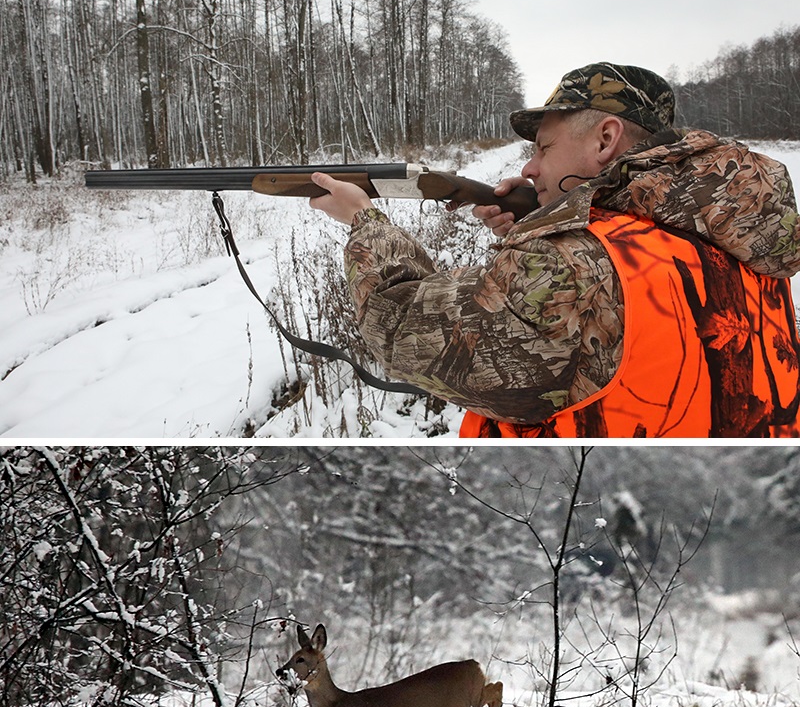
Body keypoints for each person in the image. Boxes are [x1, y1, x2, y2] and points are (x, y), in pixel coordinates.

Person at [309, 62, 800, 438]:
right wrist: (547, 224)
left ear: (606, 139)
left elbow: (401, 332)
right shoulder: (735, 235)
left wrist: (363, 220)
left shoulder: (571, 263)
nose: (529, 168)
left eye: (543, 148)